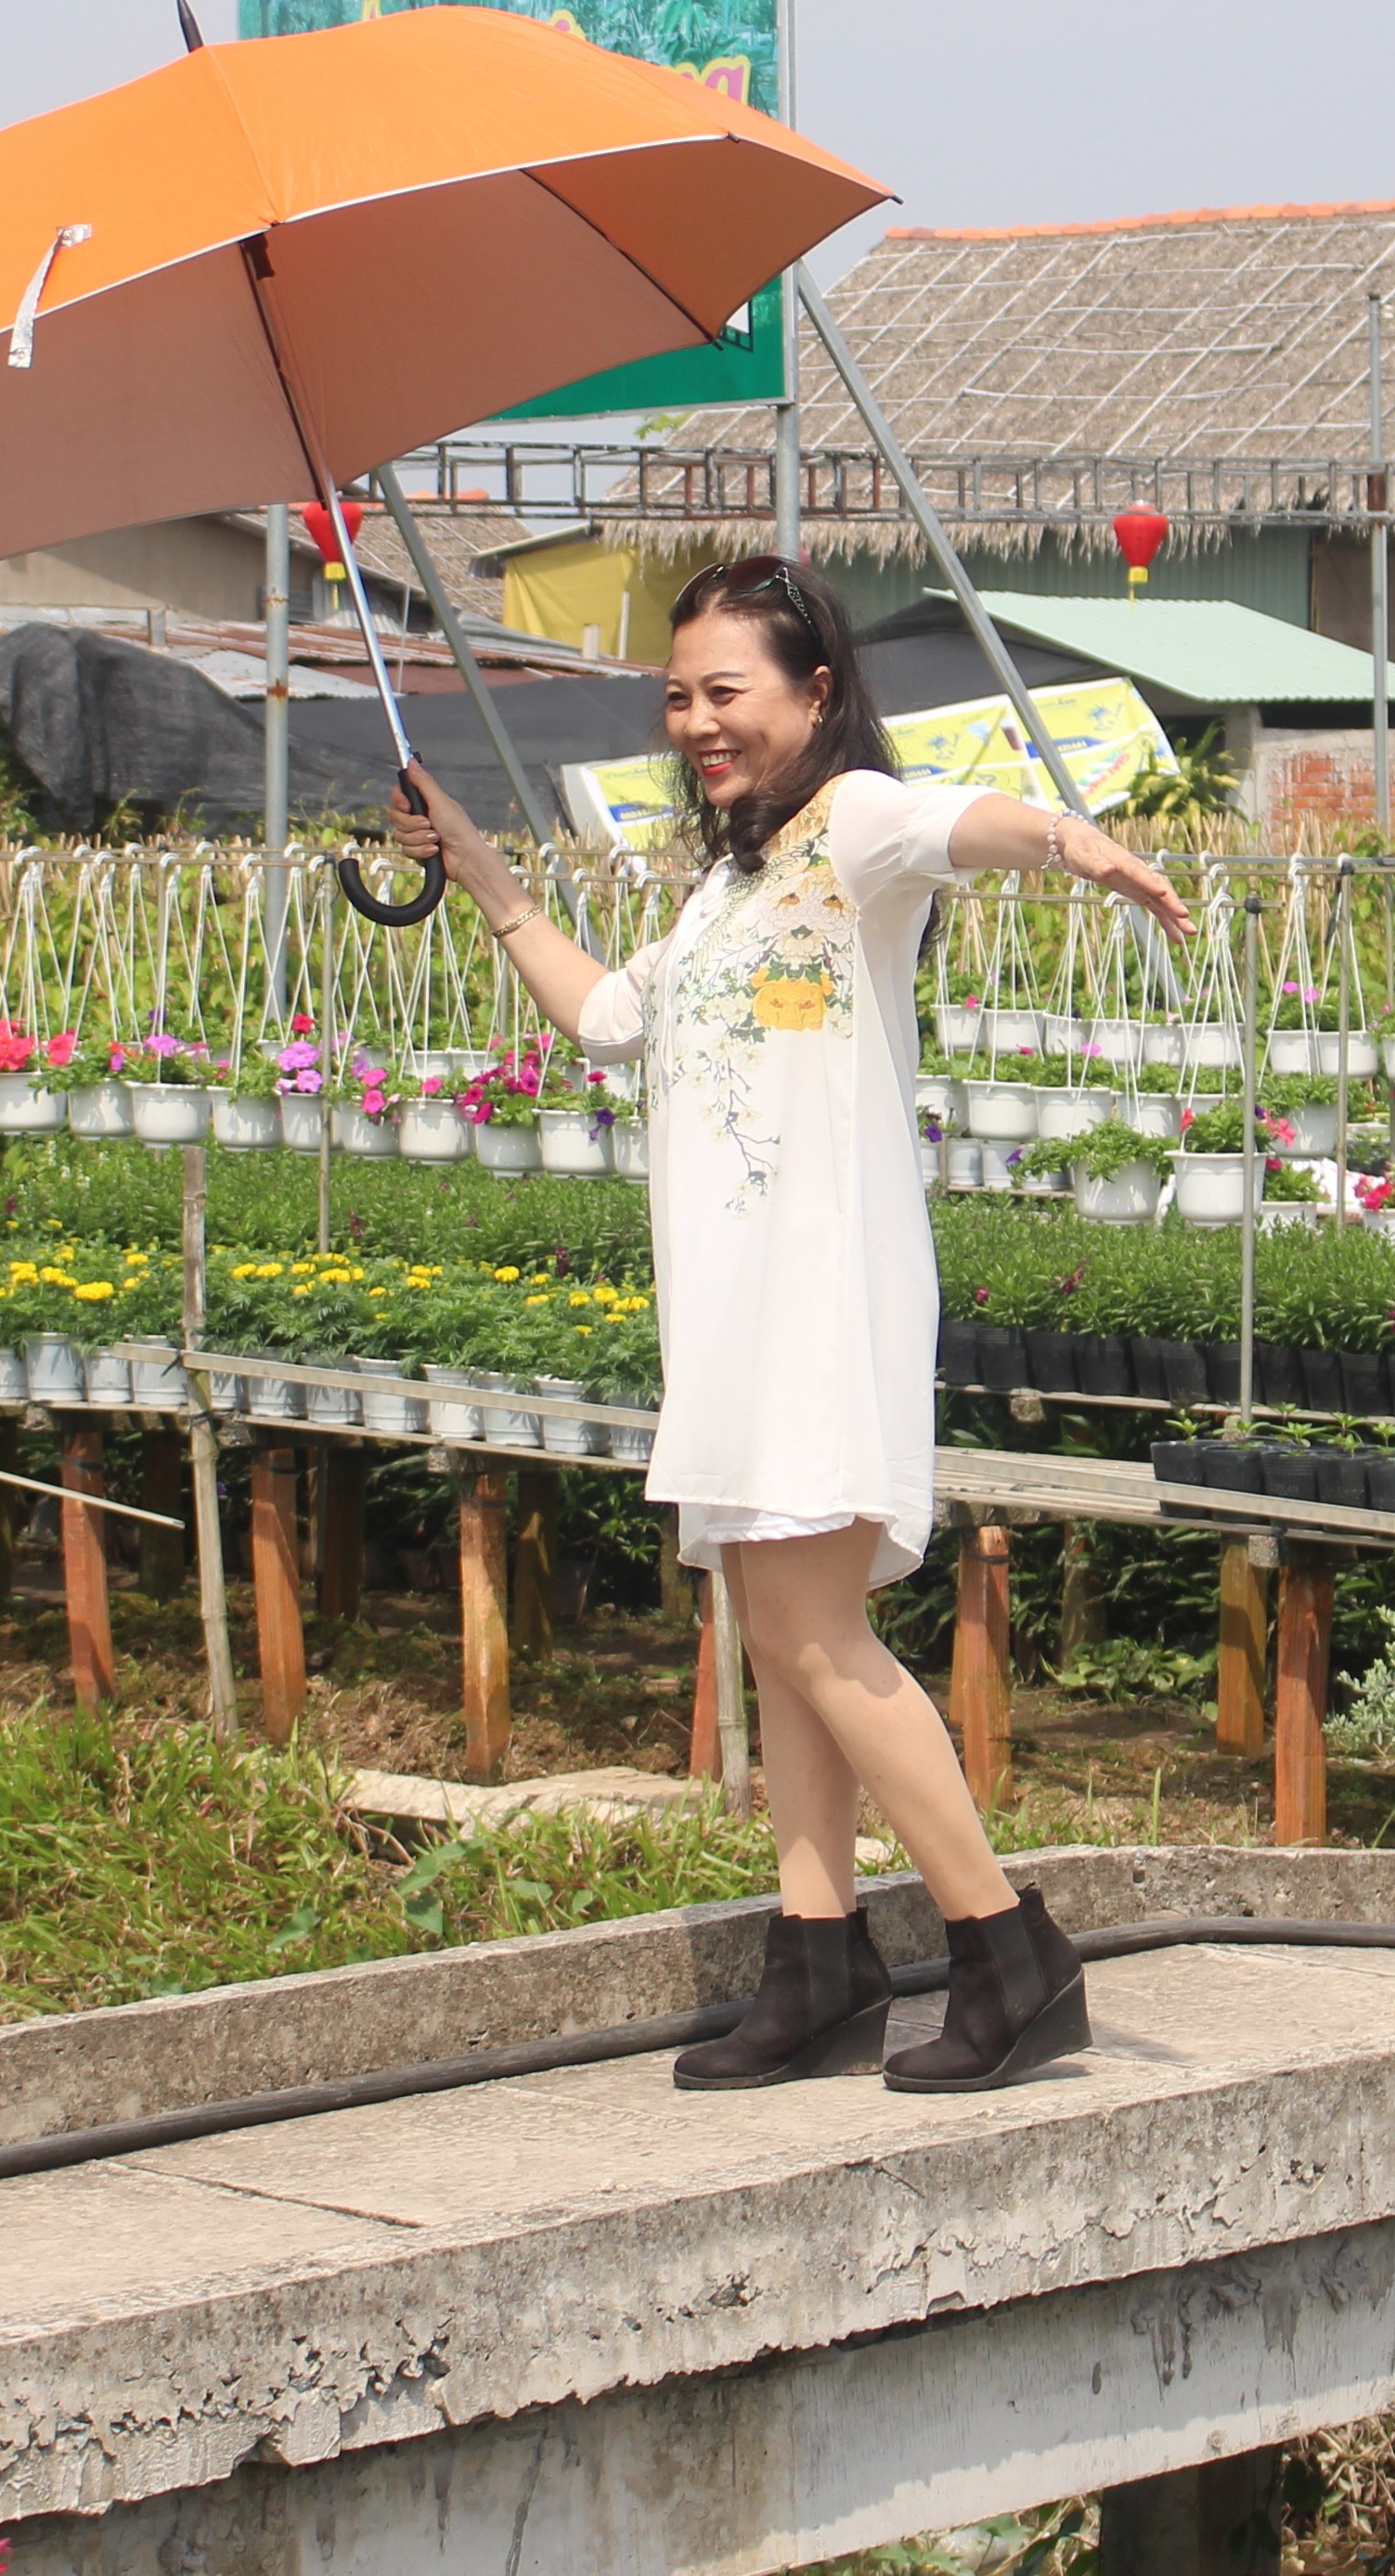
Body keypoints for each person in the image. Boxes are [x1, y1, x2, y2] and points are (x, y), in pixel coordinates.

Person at [386, 559, 1193, 2093]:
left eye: (723, 691)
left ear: (814, 692)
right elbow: (604, 1017)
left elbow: (973, 819)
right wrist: (481, 870)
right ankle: (814, 1956)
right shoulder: (726, 885)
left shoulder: (853, 827)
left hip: (822, 1295)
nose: (693, 720)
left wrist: (1084, 848)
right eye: (675, 695)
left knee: (818, 1638)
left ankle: (1009, 1951)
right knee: (778, 1638)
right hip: (734, 1310)